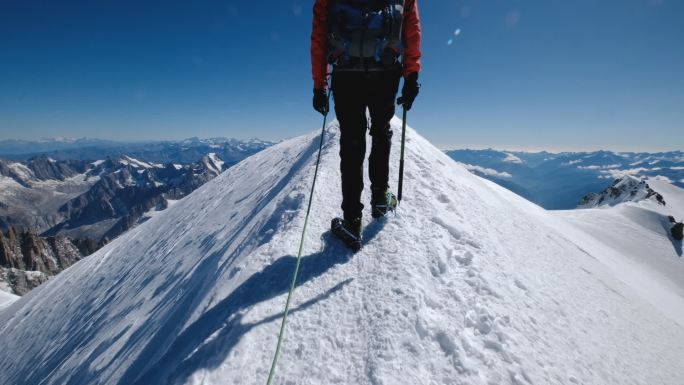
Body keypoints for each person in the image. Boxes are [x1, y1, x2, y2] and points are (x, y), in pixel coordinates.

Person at [311, 0, 422, 249]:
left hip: (346, 74)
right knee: (381, 131)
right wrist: (411, 75)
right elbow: (411, 29)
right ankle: (381, 197)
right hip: (386, 71)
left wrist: (320, 85)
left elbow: (319, 36)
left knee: (352, 142)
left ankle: (352, 221)